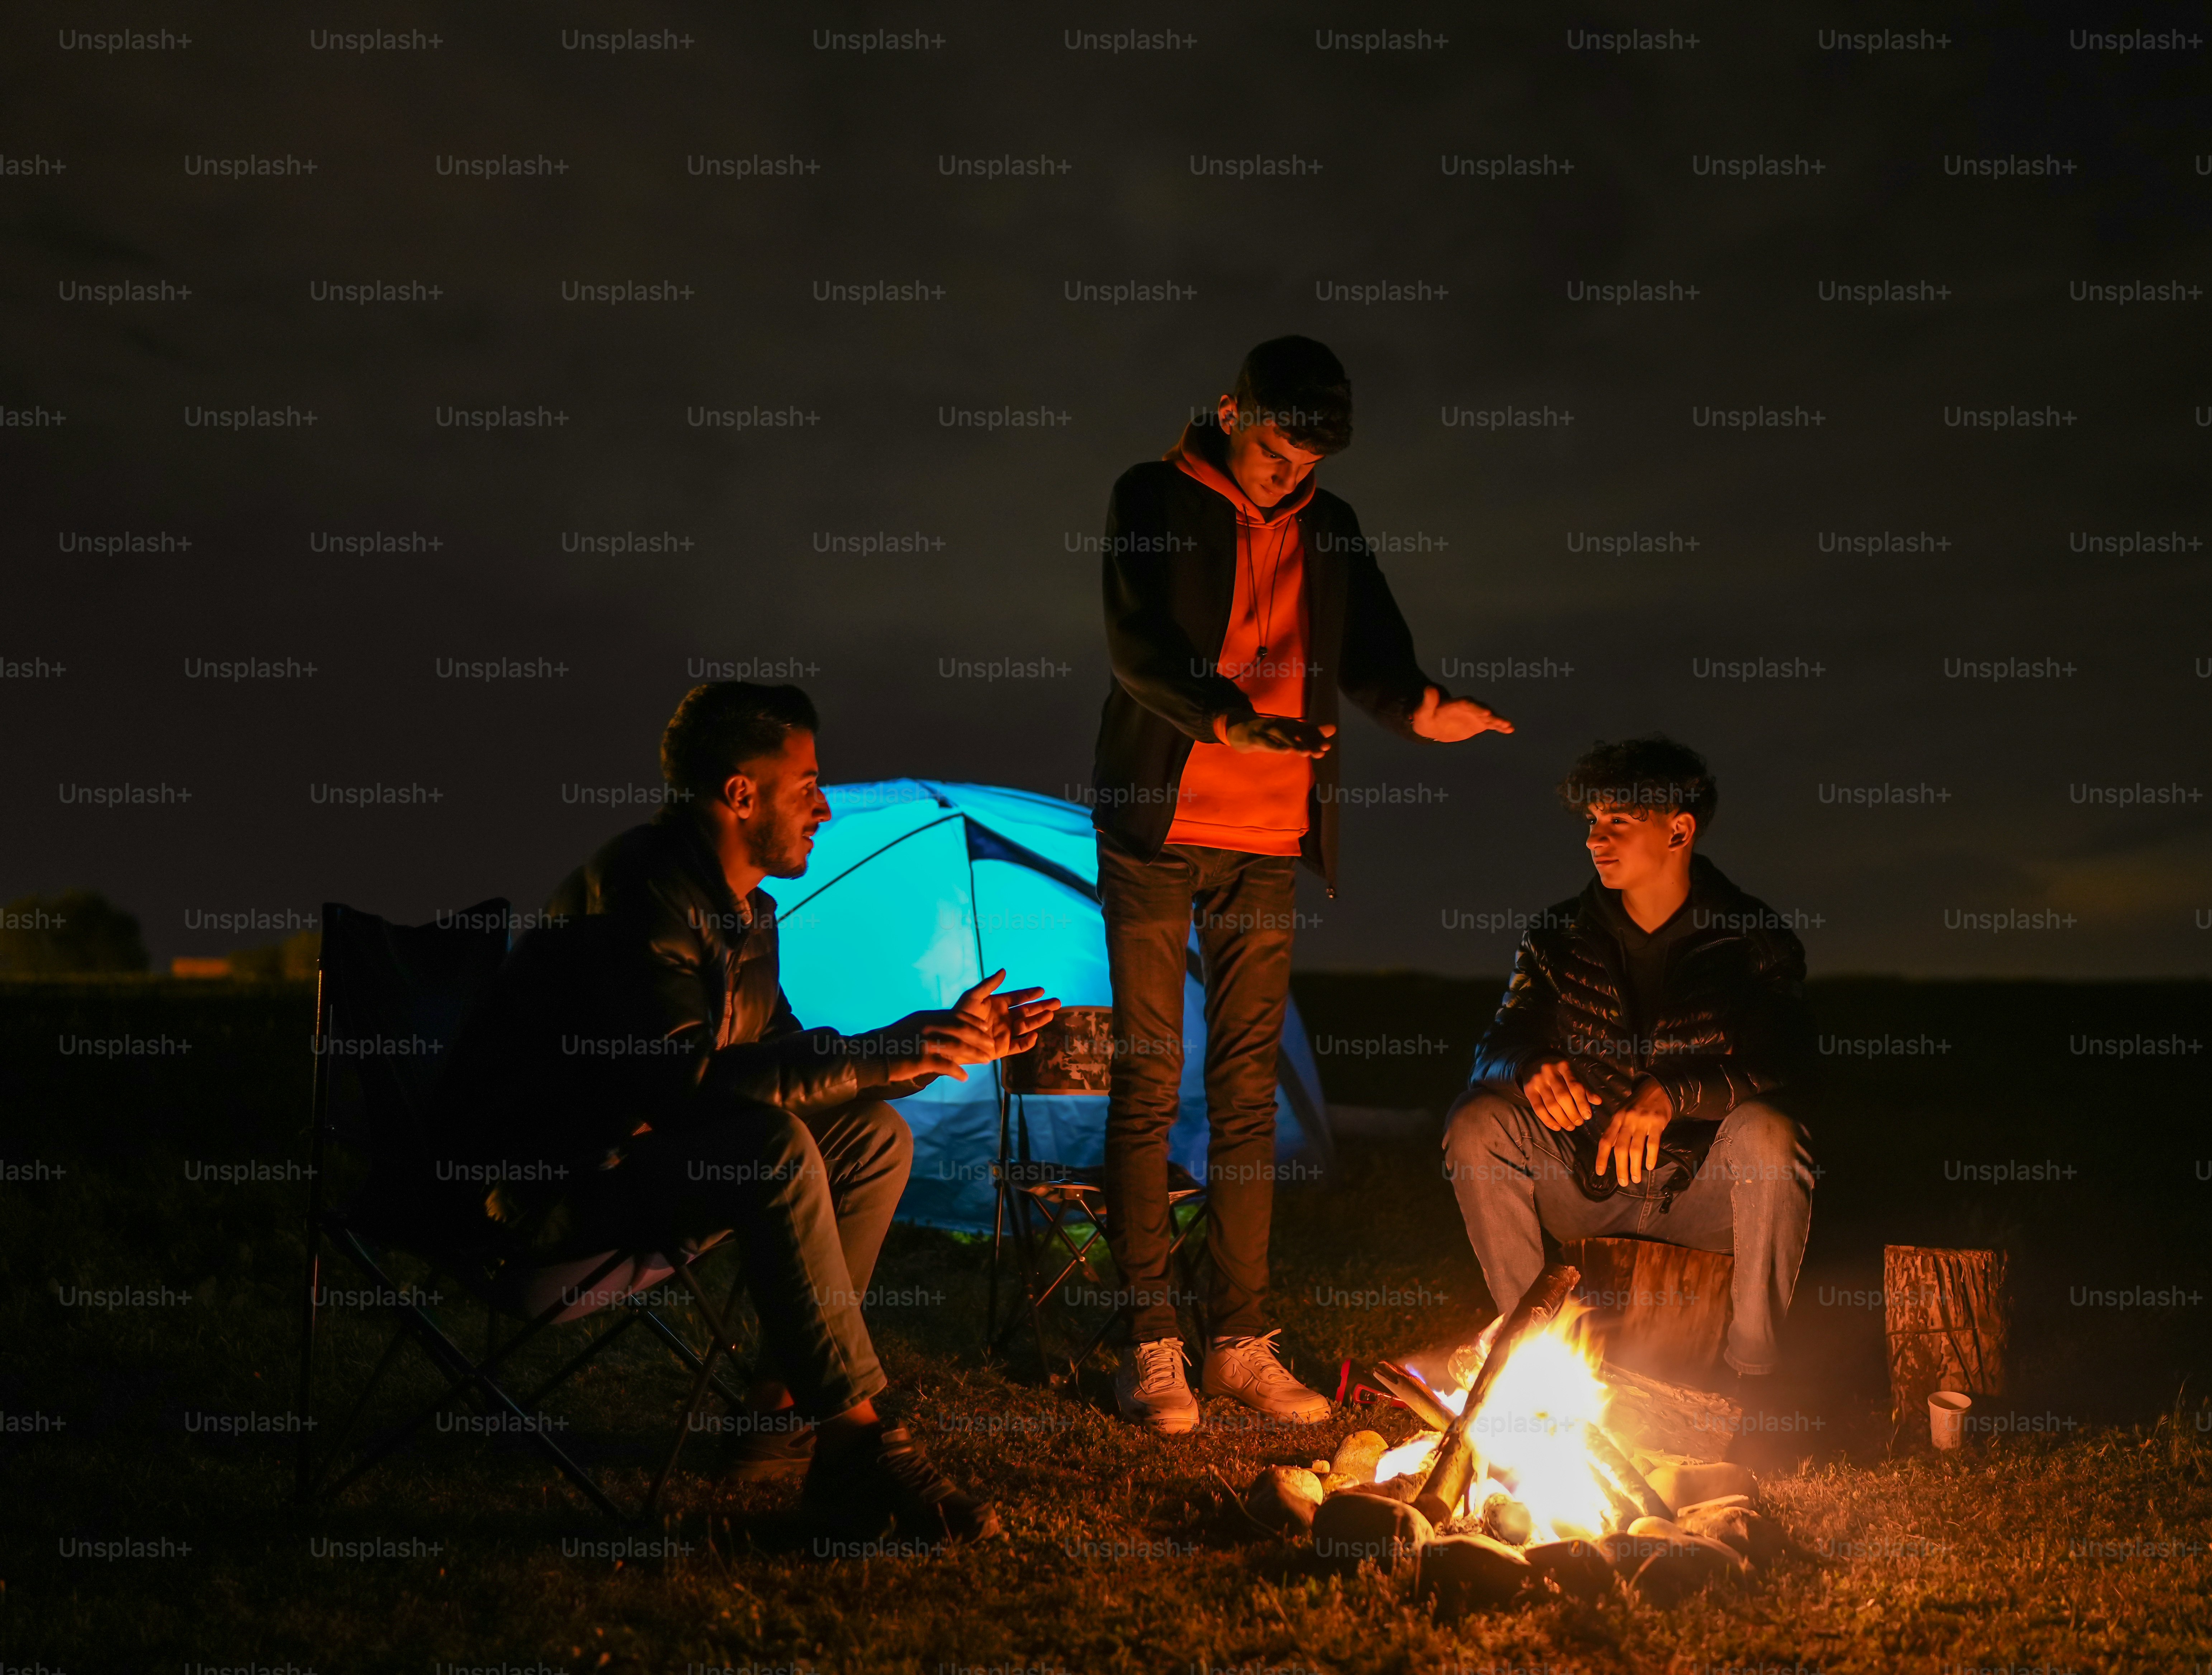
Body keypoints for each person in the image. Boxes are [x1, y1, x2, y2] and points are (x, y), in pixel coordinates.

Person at [429, 682, 1057, 1541]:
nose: (825, 809)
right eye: (807, 786)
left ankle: (779, 1416)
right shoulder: (641, 890)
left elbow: (788, 1065)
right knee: (770, 1148)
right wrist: (894, 1046)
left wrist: (936, 1048)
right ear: (740, 794)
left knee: (872, 1137)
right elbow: (681, 1085)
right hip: (549, 1197)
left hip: (648, 1167)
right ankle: (861, 1449)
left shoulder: (747, 913)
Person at [1090, 334, 1513, 1432]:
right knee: (1148, 1078)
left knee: (1246, 1090)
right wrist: (1228, 716)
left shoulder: (1330, 524)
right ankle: (1148, 1343)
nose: (1290, 477)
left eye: (1307, 462)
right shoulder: (1152, 495)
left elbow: (1372, 650)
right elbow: (1136, 646)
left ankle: (1235, 1340)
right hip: (1160, 822)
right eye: (1277, 454)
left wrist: (1424, 710)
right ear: (1232, 413)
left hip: (1269, 835)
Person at [1443, 736, 1816, 1435]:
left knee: (1772, 1132)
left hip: (1700, 1192)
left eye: (1618, 820)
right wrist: (1526, 1063)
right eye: (1591, 821)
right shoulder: (1557, 934)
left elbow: (1791, 1057)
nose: (1595, 838)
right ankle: (1530, 1357)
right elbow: (1492, 1046)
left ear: (1679, 828)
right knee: (1476, 1121)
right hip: (1588, 1181)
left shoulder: (1751, 936)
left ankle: (1754, 1378)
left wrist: (1676, 1093)